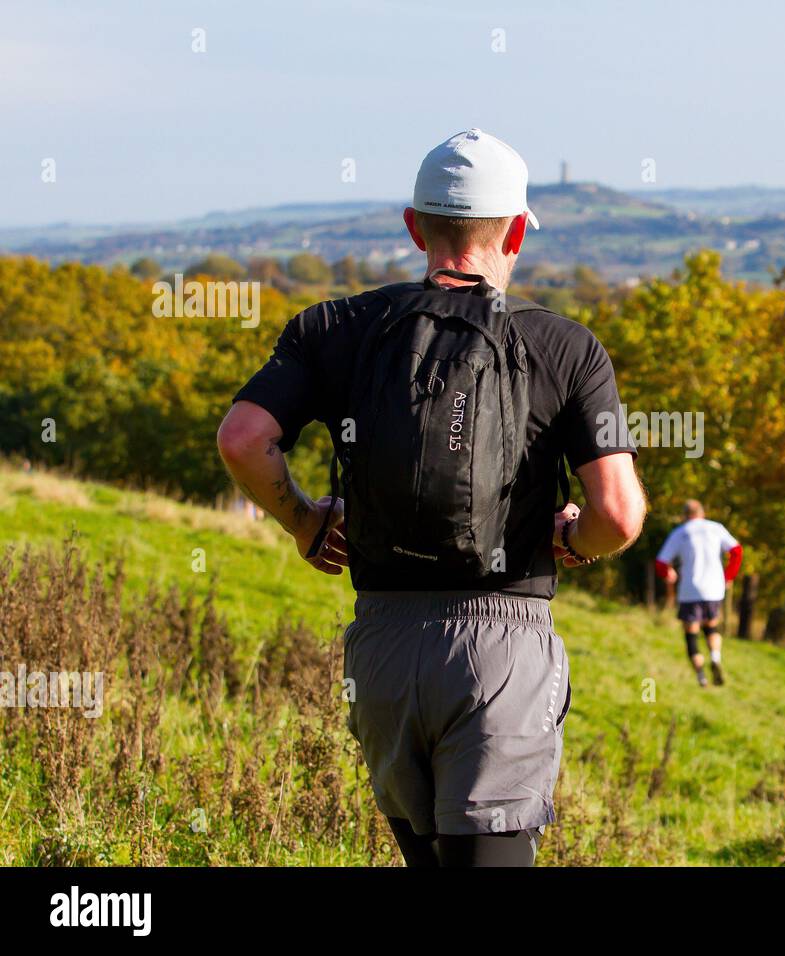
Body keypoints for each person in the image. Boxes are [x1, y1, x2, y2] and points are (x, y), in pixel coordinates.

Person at [217, 129, 646, 867]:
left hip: (380, 644)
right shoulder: (567, 347)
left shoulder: (332, 328)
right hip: (504, 651)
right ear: (515, 231)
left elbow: (243, 438)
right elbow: (619, 515)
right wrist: (572, 540)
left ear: (414, 226)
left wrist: (306, 522)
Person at [654, 500, 742, 686]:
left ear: (684, 515)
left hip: (690, 590)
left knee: (691, 636)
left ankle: (701, 677)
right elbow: (736, 551)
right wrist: (728, 576)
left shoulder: (680, 532)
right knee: (711, 628)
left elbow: (661, 562)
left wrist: (668, 574)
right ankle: (716, 658)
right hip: (714, 589)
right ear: (703, 513)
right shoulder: (716, 528)